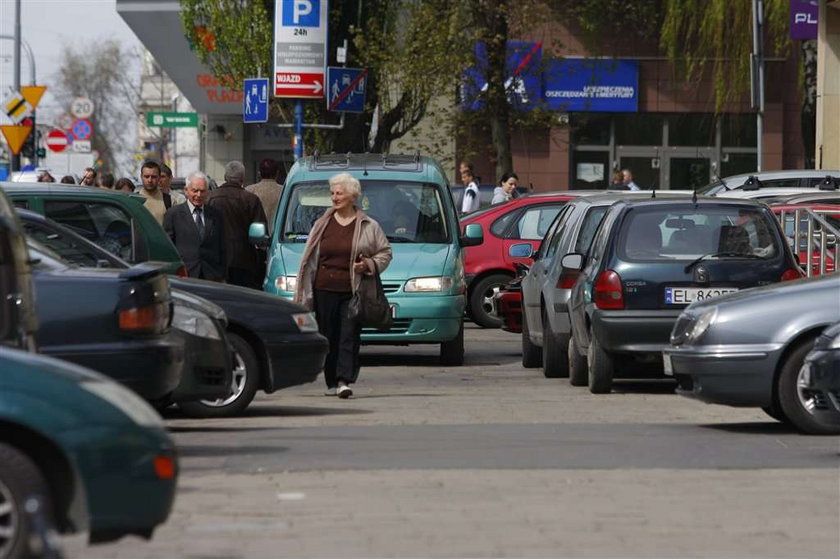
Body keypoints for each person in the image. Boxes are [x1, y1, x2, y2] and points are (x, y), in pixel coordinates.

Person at [294, 172, 392, 399]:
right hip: (323, 289)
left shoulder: (368, 225)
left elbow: (385, 253)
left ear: (352, 196)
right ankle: (330, 380)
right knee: (328, 335)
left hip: (352, 291)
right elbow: (310, 258)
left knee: (349, 335)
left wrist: (367, 264)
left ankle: (343, 380)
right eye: (332, 193)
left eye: (339, 193)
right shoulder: (322, 224)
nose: (334, 197)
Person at [207, 160, 267, 289]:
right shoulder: (251, 199)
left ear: (225, 177)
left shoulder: (210, 198)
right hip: (244, 259)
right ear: (242, 178)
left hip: (215, 259)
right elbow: (260, 234)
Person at [163, 172, 226, 281]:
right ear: (186, 191)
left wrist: (222, 274)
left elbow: (223, 247)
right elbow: (167, 247)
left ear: (207, 192)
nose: (198, 195)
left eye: (202, 191)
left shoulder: (216, 215)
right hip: (185, 275)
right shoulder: (173, 214)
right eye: (195, 191)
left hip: (212, 276)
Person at [245, 158, 283, 227]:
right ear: (277, 173)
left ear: (259, 173)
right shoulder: (283, 191)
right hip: (279, 235)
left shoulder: (249, 191)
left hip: (254, 234)